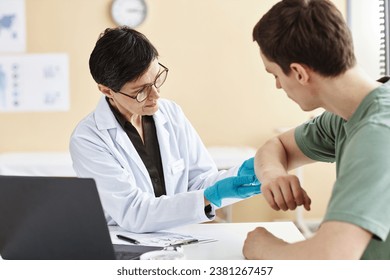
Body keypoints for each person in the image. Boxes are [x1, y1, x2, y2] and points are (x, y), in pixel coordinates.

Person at [70, 26, 260, 233]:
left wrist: (236, 177)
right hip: (127, 244)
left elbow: (200, 183)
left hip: (179, 235)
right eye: (140, 91)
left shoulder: (170, 113)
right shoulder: (88, 139)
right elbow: (134, 212)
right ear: (107, 90)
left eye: (156, 79)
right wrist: (209, 196)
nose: (156, 95)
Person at [243, 0, 390, 259]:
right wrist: (274, 175)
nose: (278, 86)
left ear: (299, 73)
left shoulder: (378, 131)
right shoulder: (346, 115)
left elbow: (331, 258)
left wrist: (261, 247)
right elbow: (275, 146)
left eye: (275, 74)